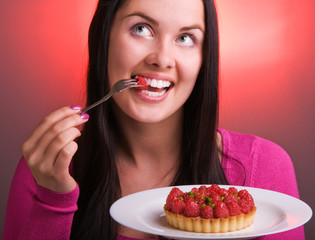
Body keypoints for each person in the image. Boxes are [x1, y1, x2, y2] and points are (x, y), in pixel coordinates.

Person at [3, 0, 304, 239]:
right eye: (142, 28)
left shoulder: (264, 167)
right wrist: (53, 199)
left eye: (185, 37)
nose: (162, 58)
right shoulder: (48, 166)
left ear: (204, 59)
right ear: (103, 37)